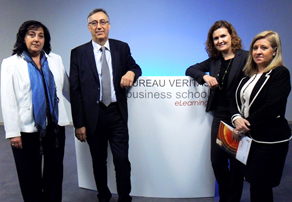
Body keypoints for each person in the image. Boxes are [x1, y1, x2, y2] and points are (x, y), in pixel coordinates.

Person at [69, 8, 142, 202]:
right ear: (88, 27)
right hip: (93, 116)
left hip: (116, 114)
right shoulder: (78, 53)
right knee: (98, 161)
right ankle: (103, 195)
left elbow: (135, 66)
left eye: (103, 22)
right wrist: (79, 123)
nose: (99, 26)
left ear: (109, 25)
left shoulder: (121, 48)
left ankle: (125, 197)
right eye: (94, 23)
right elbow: (74, 91)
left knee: (121, 160)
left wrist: (131, 73)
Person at [0, 20, 70, 202]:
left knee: (54, 173)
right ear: (23, 38)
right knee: (29, 176)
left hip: (55, 126)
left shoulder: (56, 60)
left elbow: (67, 90)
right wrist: (13, 133)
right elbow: (7, 99)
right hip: (26, 130)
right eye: (32, 35)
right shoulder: (10, 63)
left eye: (41, 35)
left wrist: (83, 114)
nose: (36, 39)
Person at [185, 20, 248, 201]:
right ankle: (227, 196)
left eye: (223, 36)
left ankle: (232, 198)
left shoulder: (245, 57)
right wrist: (204, 76)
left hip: (240, 116)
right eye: (215, 38)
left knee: (237, 164)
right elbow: (190, 69)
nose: (220, 40)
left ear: (231, 36)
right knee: (217, 161)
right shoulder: (214, 61)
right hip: (220, 115)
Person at [231, 30, 291, 202]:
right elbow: (234, 101)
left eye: (264, 47)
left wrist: (243, 125)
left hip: (268, 141)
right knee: (253, 183)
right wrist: (236, 118)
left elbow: (272, 107)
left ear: (274, 50)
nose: (258, 51)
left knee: (261, 186)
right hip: (248, 139)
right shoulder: (247, 76)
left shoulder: (280, 73)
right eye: (255, 47)